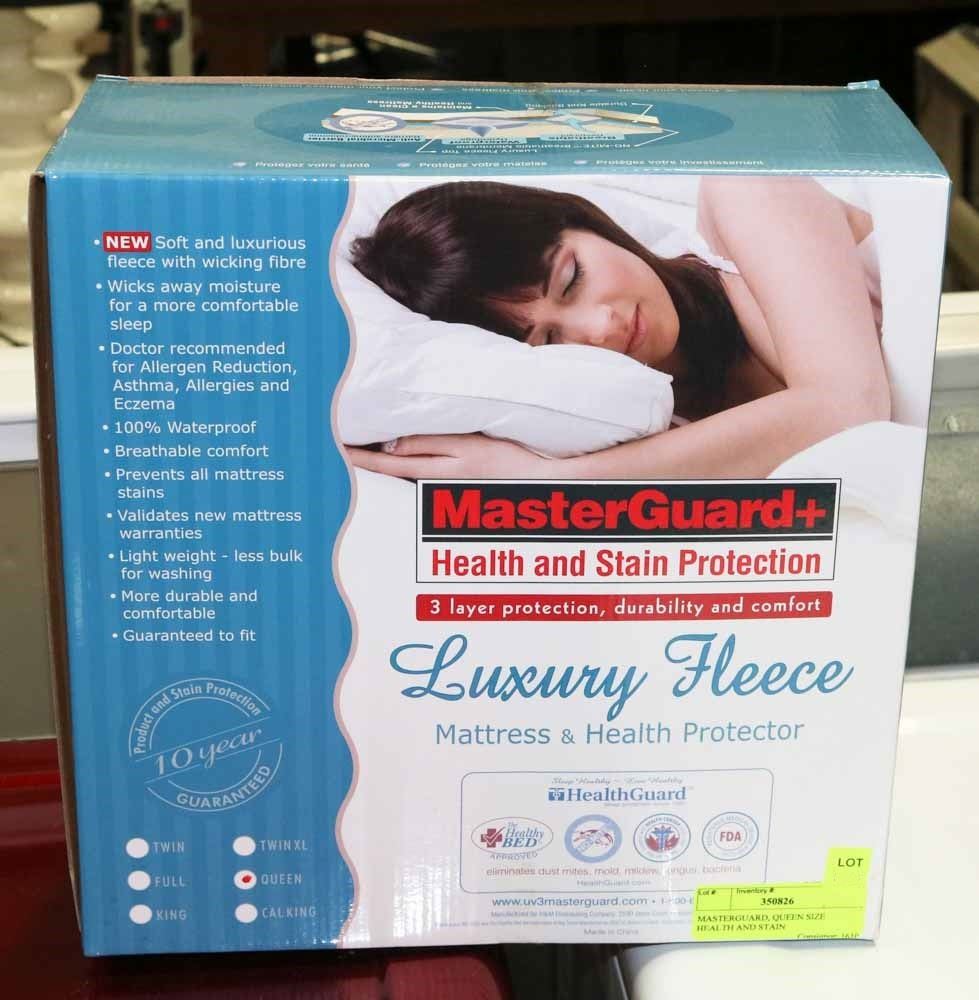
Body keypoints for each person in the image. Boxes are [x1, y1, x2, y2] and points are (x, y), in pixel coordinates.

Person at [347, 177, 889, 480]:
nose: (601, 326)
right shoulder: (635, 429)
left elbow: (849, 408)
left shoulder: (748, 192)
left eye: (572, 278)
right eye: (549, 341)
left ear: (581, 220)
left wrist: (547, 483)